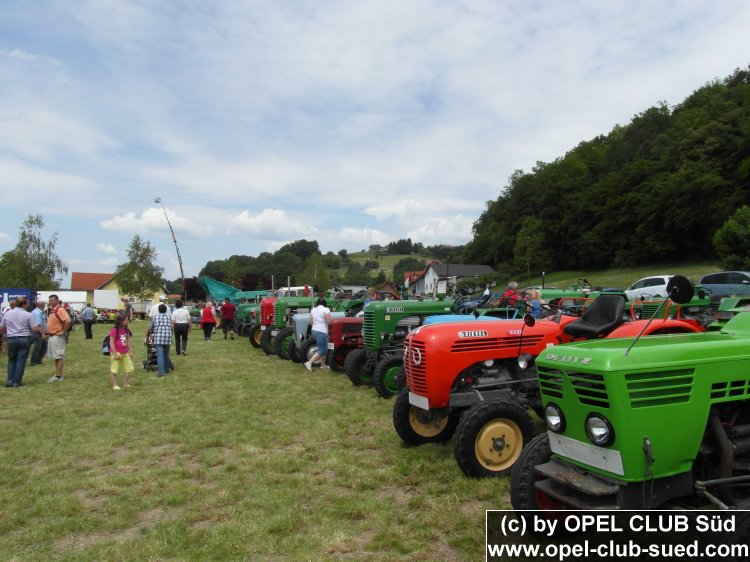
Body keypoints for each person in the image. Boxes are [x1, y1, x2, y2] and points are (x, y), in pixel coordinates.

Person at [0, 296, 42, 387]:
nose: (28, 305)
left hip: (11, 338)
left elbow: (1, 327)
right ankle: (17, 382)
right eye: (27, 303)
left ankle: (10, 381)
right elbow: (34, 328)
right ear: (23, 304)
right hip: (24, 338)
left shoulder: (7, 314)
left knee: (11, 360)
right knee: (21, 361)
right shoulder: (28, 314)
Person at [46, 294, 70, 383]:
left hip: (57, 336)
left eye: (52, 300)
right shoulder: (53, 310)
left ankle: (59, 376)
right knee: (56, 356)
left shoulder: (60, 309)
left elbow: (68, 320)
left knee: (59, 356)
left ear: (57, 300)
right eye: (50, 300)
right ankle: (57, 374)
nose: (50, 302)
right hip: (53, 336)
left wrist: (63, 331)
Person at [304, 297, 331, 372]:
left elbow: (309, 321)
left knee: (322, 347)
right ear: (325, 304)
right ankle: (309, 363)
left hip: (314, 330)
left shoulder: (313, 310)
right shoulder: (326, 309)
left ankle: (323, 365)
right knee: (323, 349)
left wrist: (315, 325)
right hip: (322, 331)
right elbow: (328, 321)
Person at [108, 313, 133, 390]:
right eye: (126, 320)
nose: (128, 321)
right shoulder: (114, 330)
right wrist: (115, 354)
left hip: (125, 352)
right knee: (114, 369)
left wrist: (130, 350)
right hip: (116, 352)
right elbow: (111, 342)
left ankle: (125, 383)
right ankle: (114, 385)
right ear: (121, 321)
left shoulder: (126, 329)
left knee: (130, 368)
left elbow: (127, 340)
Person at [152, 303, 173, 376]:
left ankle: (161, 372)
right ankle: (167, 369)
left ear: (158, 310)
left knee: (160, 355)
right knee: (166, 354)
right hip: (167, 337)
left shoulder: (156, 317)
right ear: (166, 310)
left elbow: (153, 326)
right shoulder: (169, 317)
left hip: (158, 337)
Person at [30, 300, 48, 366]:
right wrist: (43, 334)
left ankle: (38, 360)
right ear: (42, 305)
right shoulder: (37, 313)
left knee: (44, 346)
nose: (45, 306)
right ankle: (34, 362)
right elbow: (39, 324)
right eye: (44, 305)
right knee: (37, 347)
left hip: (41, 331)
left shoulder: (40, 312)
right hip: (38, 332)